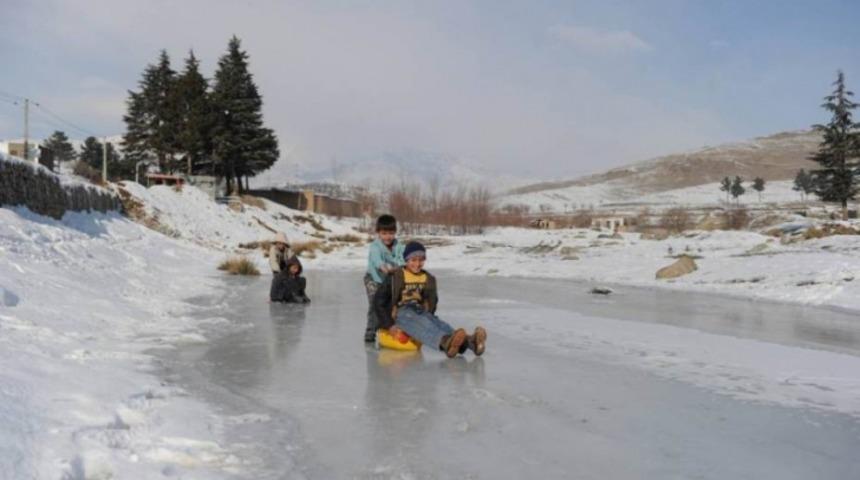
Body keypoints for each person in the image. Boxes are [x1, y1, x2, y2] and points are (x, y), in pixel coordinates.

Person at [374, 241, 487, 358]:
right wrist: (389, 325)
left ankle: (471, 343)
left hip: (419, 310)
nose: (417, 264)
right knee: (423, 323)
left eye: (421, 260)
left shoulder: (427, 278)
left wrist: (429, 314)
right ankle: (445, 343)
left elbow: (432, 300)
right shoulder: (395, 276)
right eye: (413, 260)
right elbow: (379, 301)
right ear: (406, 260)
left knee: (440, 324)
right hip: (401, 312)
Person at [363, 214, 405, 343]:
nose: (388, 237)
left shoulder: (399, 246)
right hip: (373, 279)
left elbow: (402, 260)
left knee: (389, 304)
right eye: (384, 233)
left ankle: (385, 327)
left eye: (391, 233)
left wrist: (399, 267)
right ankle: (370, 330)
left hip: (390, 280)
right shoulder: (375, 246)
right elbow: (376, 260)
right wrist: (384, 267)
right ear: (378, 233)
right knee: (375, 303)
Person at [269, 232, 293, 302]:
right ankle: (272, 296)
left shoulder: (288, 249)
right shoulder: (273, 249)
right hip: (276, 266)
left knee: (288, 279)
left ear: (284, 243)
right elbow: (273, 261)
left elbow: (292, 259)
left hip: (285, 265)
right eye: (278, 243)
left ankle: (286, 294)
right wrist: (278, 272)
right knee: (276, 279)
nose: (280, 245)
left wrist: (292, 269)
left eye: (282, 243)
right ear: (276, 243)